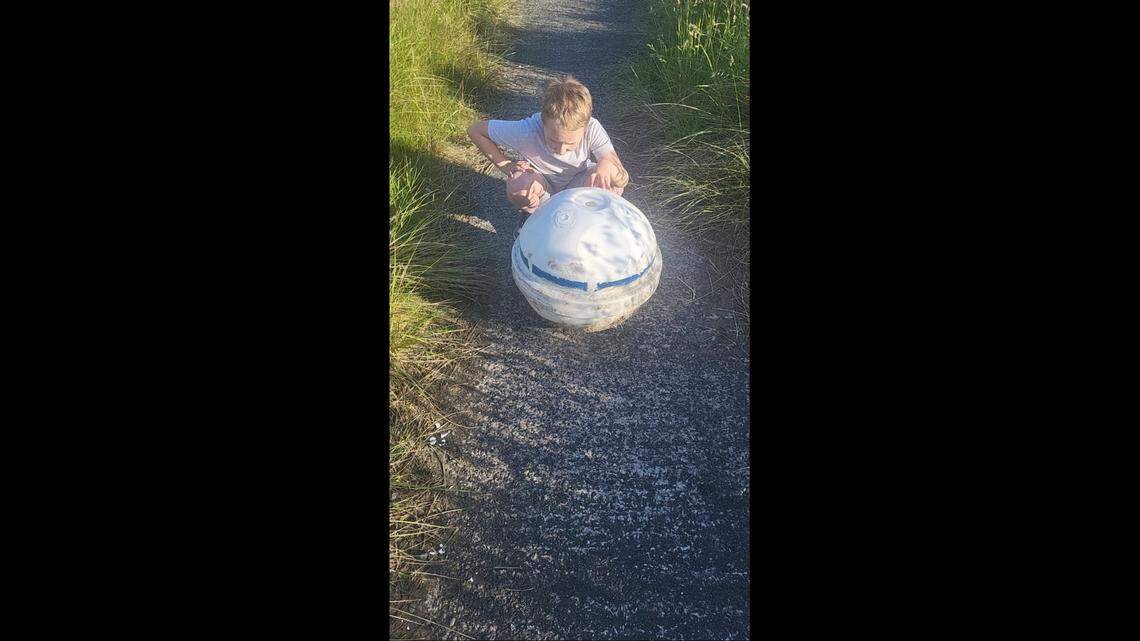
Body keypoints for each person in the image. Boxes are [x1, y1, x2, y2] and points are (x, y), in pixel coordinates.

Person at [466, 75, 630, 235]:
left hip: (577, 184)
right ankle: (532, 215)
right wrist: (506, 165)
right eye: (554, 140)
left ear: (586, 127)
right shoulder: (527, 130)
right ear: (542, 122)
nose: (561, 150)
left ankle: (585, 224)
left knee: (613, 181)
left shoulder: (592, 128)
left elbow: (623, 178)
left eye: (571, 144)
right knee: (518, 185)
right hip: (541, 186)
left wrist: (605, 165)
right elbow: (476, 131)